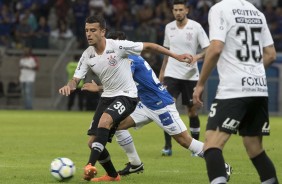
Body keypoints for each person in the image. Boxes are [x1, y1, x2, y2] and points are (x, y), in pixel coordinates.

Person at [58, 15, 192, 182]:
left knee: (105, 121)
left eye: (93, 30)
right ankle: (113, 175)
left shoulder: (118, 46)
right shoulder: (87, 55)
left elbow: (151, 46)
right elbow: (75, 79)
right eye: (86, 30)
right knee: (93, 143)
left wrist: (177, 56)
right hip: (107, 97)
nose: (88, 34)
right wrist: (69, 86)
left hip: (127, 96)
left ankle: (89, 165)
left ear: (102, 32)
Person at [82, 31, 232, 180]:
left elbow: (121, 80)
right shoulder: (123, 58)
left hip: (161, 105)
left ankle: (223, 165)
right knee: (113, 124)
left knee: (185, 141)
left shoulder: (130, 59)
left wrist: (98, 88)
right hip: (144, 105)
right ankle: (135, 163)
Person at [193, 0, 279, 183]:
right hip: (259, 89)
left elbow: (215, 48)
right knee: (255, 149)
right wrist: (251, 71)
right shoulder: (257, 13)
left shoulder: (219, 9)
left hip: (234, 90)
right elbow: (271, 54)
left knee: (211, 145)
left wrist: (200, 84)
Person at [158, 0, 210, 156]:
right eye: (175, 10)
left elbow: (208, 50)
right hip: (171, 74)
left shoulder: (196, 27)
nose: (178, 12)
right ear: (172, 11)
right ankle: (168, 147)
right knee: (167, 109)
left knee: (192, 111)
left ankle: (196, 148)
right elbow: (167, 52)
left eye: (181, 9)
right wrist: (162, 72)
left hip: (190, 75)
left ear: (187, 10)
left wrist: (197, 56)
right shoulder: (169, 27)